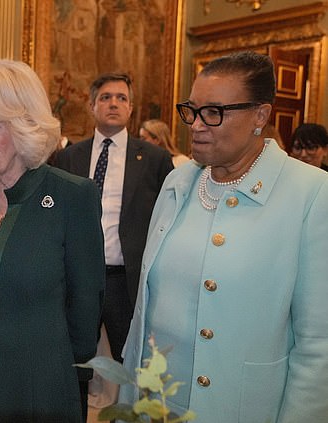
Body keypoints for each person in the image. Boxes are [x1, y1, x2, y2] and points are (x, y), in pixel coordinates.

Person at [120, 51, 328, 422]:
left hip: (236, 407)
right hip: (156, 403)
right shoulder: (178, 183)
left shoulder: (310, 193)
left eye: (214, 112)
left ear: (260, 116)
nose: (196, 125)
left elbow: (318, 346)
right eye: (192, 110)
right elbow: (145, 313)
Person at [0, 59, 105, 422]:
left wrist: (55, 364)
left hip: (35, 383)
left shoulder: (73, 196)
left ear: (26, 127)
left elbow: (86, 304)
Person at [56, 74, 173, 365]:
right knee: (74, 361)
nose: (114, 104)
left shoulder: (154, 159)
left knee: (133, 365)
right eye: (106, 97)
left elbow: (169, 218)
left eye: (122, 98)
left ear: (131, 109)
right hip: (78, 277)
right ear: (92, 105)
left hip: (125, 281)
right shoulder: (70, 157)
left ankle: (129, 413)